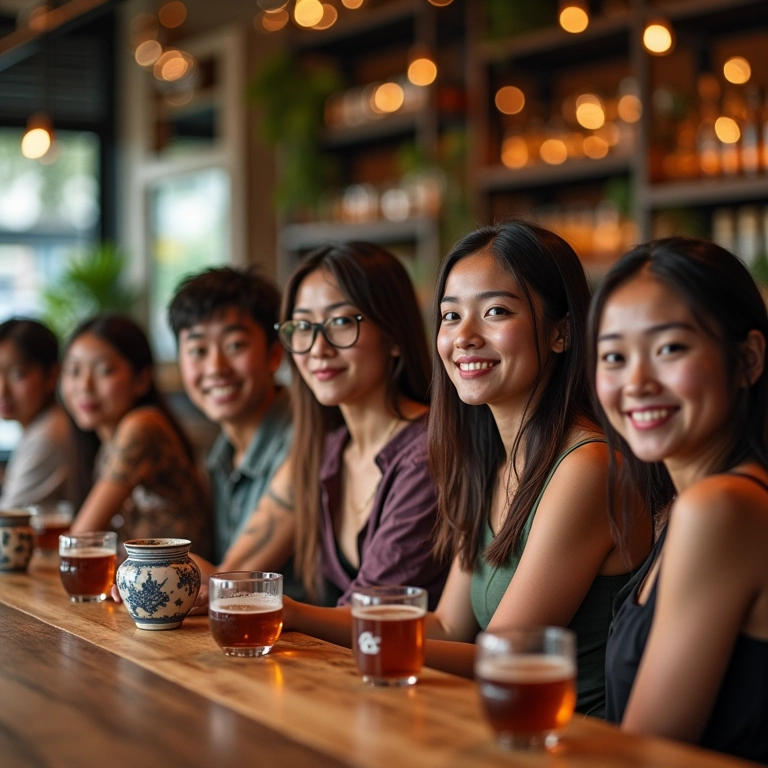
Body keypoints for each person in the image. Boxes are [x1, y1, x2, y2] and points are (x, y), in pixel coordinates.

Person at [421, 221, 651, 717]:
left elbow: (501, 656)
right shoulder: (492, 461)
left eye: (496, 312)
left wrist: (373, 640)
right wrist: (292, 616)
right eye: (450, 315)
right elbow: (448, 627)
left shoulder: (587, 466)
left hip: (573, 739)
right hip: (504, 723)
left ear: (560, 333)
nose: (464, 337)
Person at [591, 237, 768, 763]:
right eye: (614, 357)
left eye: (669, 348)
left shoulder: (721, 508)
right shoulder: (684, 506)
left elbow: (644, 753)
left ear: (748, 359)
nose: (637, 382)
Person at [220, 241, 448, 611]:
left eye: (341, 322)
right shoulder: (329, 449)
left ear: (393, 336)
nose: (317, 348)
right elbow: (234, 571)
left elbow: (373, 613)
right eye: (303, 326)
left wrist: (282, 610)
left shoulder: (428, 451)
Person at [167, 266, 292, 564]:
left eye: (235, 345)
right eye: (198, 350)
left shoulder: (304, 437)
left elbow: (232, 579)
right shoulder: (219, 457)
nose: (216, 368)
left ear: (275, 354)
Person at [64, 314, 212, 556]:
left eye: (104, 370)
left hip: (178, 578)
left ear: (142, 379)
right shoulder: (106, 443)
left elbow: (78, 543)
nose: (84, 386)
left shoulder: (142, 426)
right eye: (74, 371)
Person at [0, 318, 69, 508]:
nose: (2, 390)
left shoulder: (45, 439)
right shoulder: (42, 426)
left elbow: (9, 518)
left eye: (18, 374)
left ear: (52, 375)